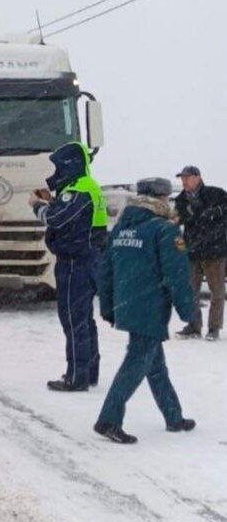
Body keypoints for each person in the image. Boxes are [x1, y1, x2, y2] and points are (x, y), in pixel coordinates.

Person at [94, 177, 196, 444]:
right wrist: (189, 312)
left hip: (127, 304)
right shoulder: (165, 230)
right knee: (136, 364)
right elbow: (177, 274)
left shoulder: (122, 228)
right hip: (150, 307)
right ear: (162, 199)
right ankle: (109, 419)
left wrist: (108, 306)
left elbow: (105, 270)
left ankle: (174, 417)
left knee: (154, 364)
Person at [29, 142, 107, 392]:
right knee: (84, 318)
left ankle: (76, 376)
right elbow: (68, 215)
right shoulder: (83, 187)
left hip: (76, 262)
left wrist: (37, 206)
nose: (55, 173)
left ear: (70, 166)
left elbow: (57, 219)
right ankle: (89, 370)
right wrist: (51, 200)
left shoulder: (80, 189)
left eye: (59, 167)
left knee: (74, 319)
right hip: (86, 259)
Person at [173, 165, 227, 340]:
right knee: (190, 291)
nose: (184, 181)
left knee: (217, 292)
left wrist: (216, 211)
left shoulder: (215, 194)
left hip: (215, 250)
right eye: (182, 178)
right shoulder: (181, 199)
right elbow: (177, 219)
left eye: (187, 177)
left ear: (198, 177)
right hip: (193, 250)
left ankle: (214, 328)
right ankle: (194, 326)